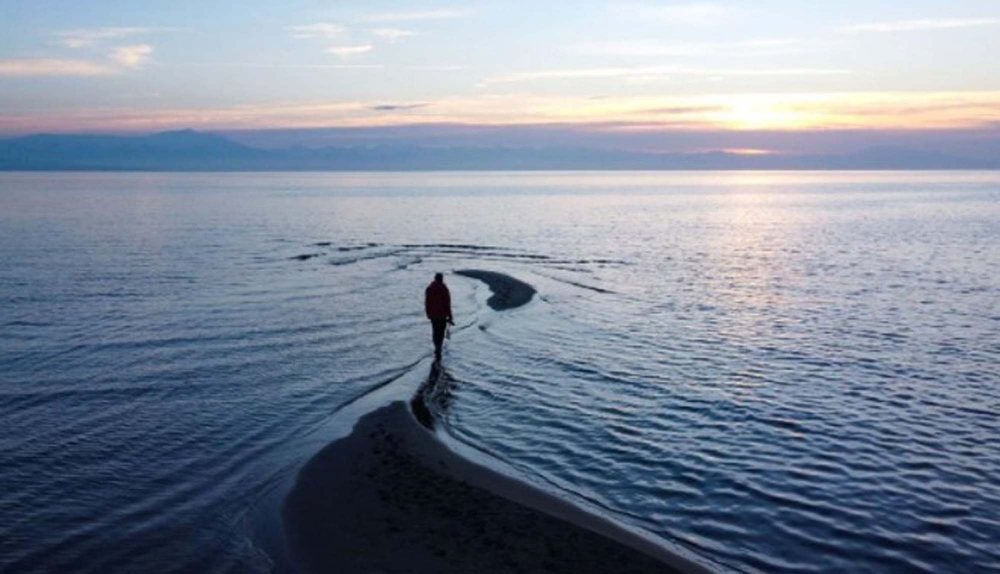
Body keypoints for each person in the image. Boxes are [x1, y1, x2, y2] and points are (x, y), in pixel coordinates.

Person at [424, 272, 453, 362]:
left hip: (433, 315)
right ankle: (438, 348)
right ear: (441, 279)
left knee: (435, 331)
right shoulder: (444, 288)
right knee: (440, 332)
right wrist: (450, 316)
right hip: (442, 315)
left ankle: (437, 347)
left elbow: (427, 303)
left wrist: (428, 314)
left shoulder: (429, 288)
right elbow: (447, 303)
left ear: (435, 278)